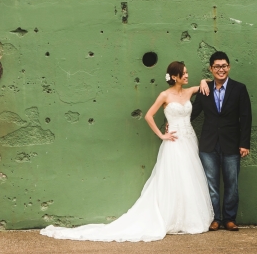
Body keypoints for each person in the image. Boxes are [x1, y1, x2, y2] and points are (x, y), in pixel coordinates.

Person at [40, 61, 214, 242]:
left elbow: (210, 82)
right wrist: (162, 135)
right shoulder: (165, 95)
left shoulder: (188, 91)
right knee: (173, 178)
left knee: (188, 177)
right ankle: (171, 217)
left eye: (187, 73)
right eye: (184, 74)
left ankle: (187, 219)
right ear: (175, 77)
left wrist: (203, 80)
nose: (187, 75)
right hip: (174, 141)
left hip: (189, 139)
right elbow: (148, 115)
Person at [191, 51, 252, 232]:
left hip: (232, 144)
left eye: (224, 66)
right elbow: (193, 113)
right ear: (211, 69)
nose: (221, 70)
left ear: (229, 67)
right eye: (217, 66)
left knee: (232, 183)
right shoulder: (204, 89)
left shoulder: (239, 89)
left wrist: (244, 143)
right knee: (212, 184)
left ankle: (229, 219)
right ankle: (215, 218)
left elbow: (246, 117)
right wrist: (174, 122)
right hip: (208, 144)